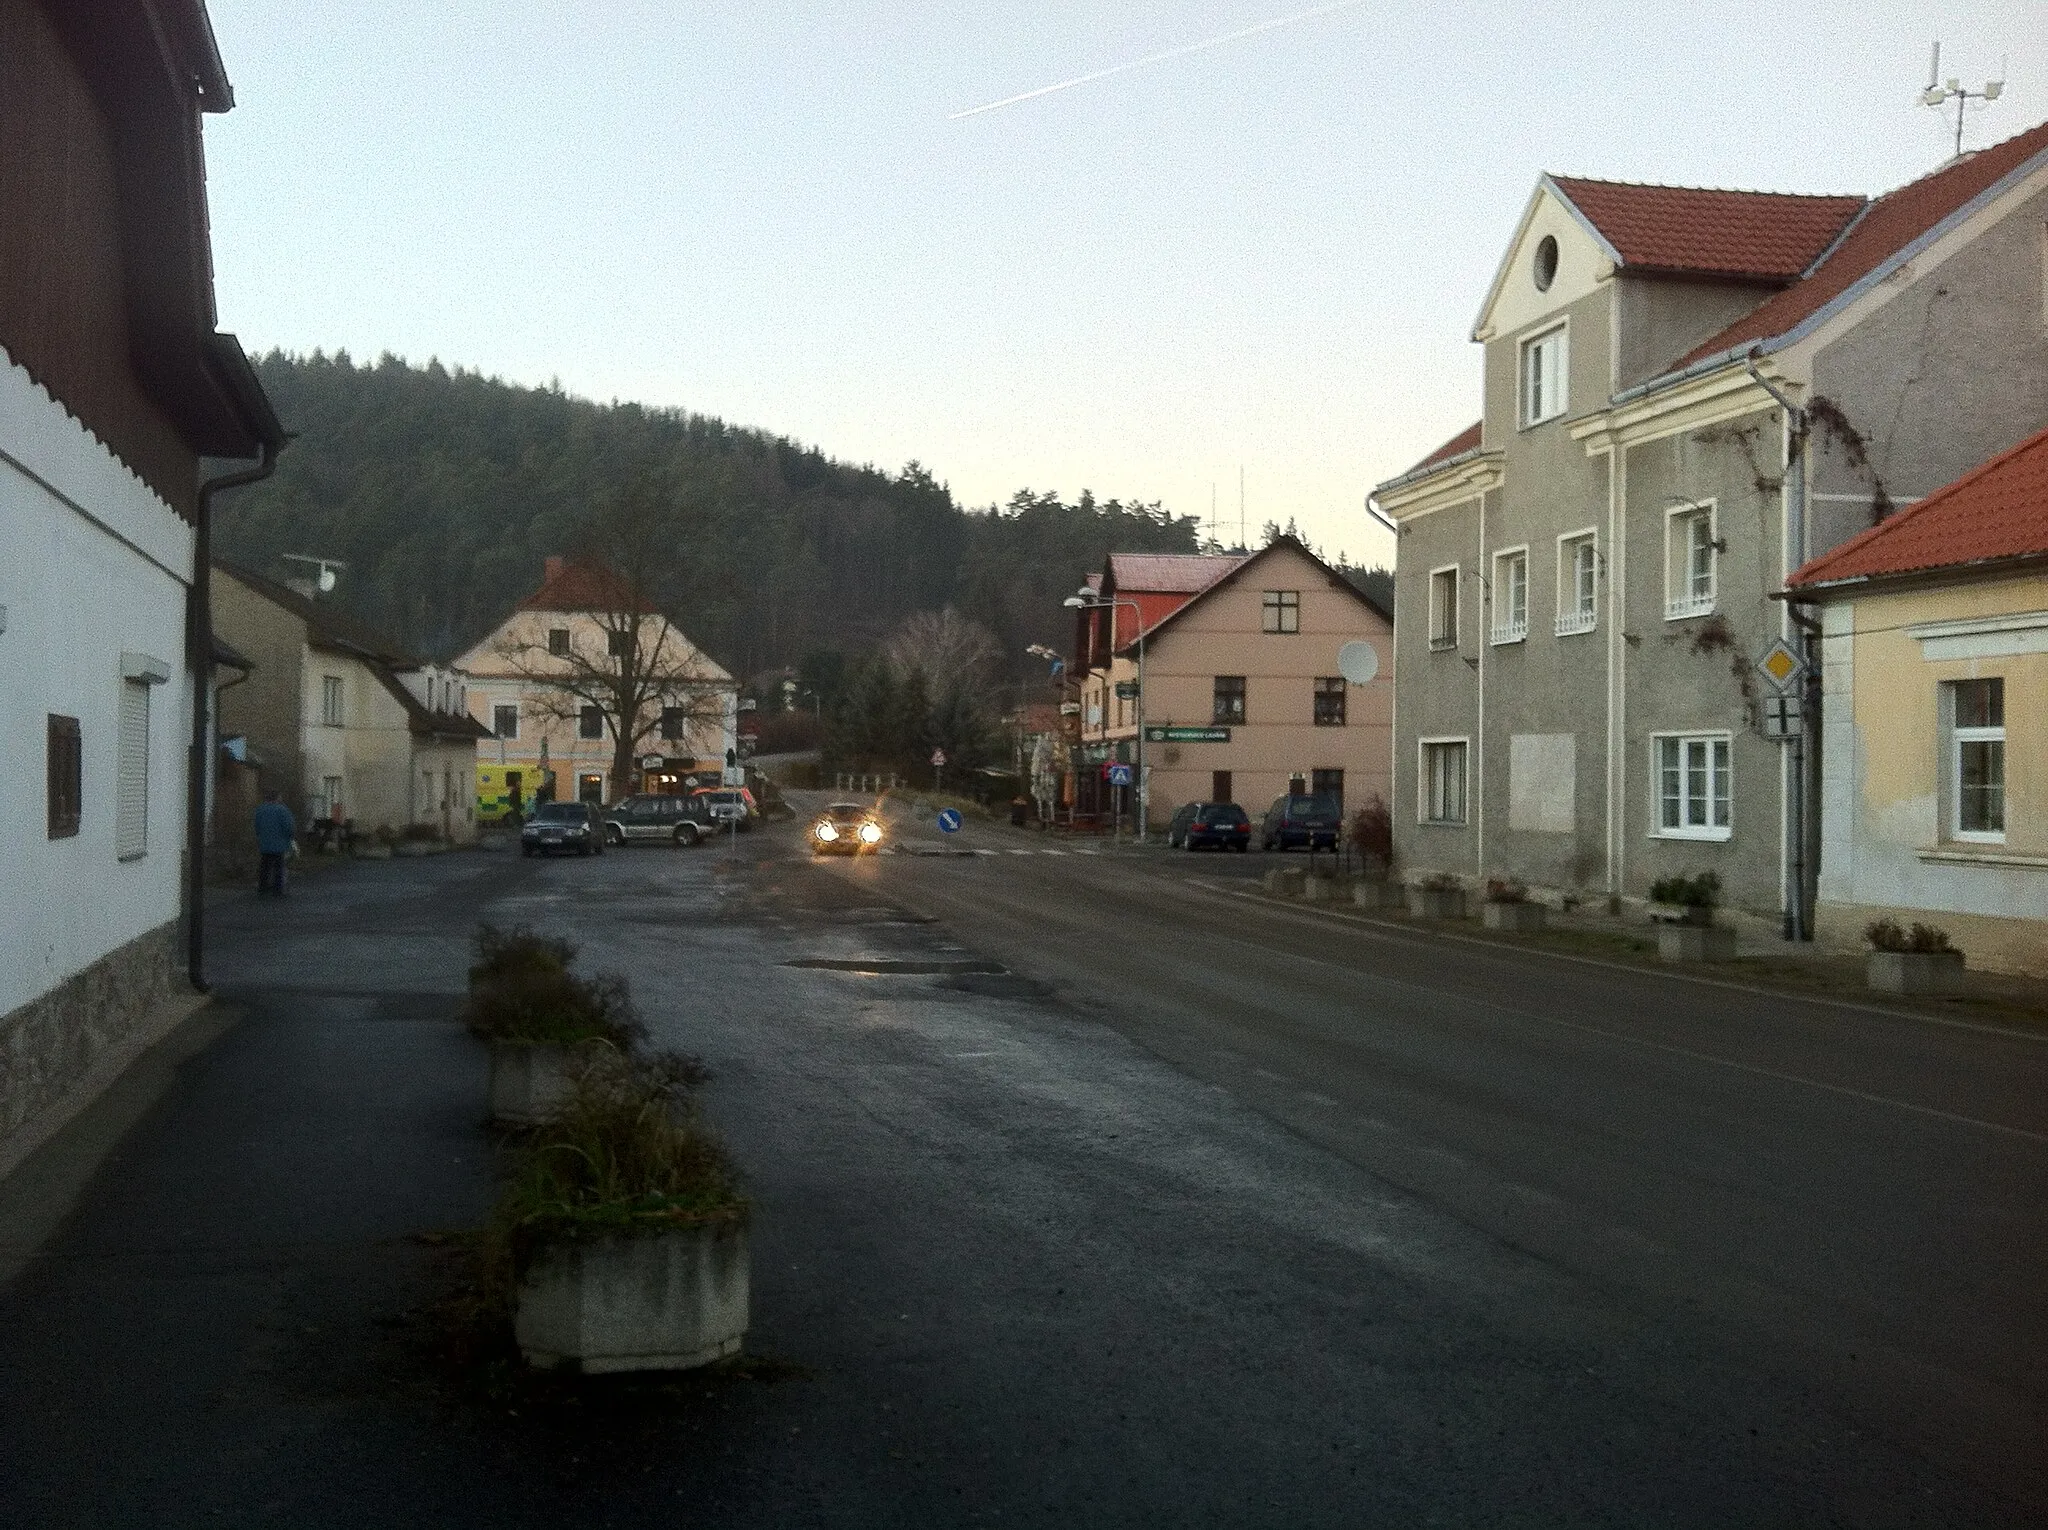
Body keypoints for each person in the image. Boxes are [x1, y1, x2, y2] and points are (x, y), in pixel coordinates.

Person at [254, 790, 297, 897]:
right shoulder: (282, 810)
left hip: (264, 843)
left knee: (265, 865)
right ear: (277, 798)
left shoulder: (260, 810)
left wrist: (261, 836)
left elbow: (257, 826)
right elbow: (289, 827)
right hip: (280, 843)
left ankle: (262, 888)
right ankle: (278, 890)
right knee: (279, 866)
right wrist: (290, 837)